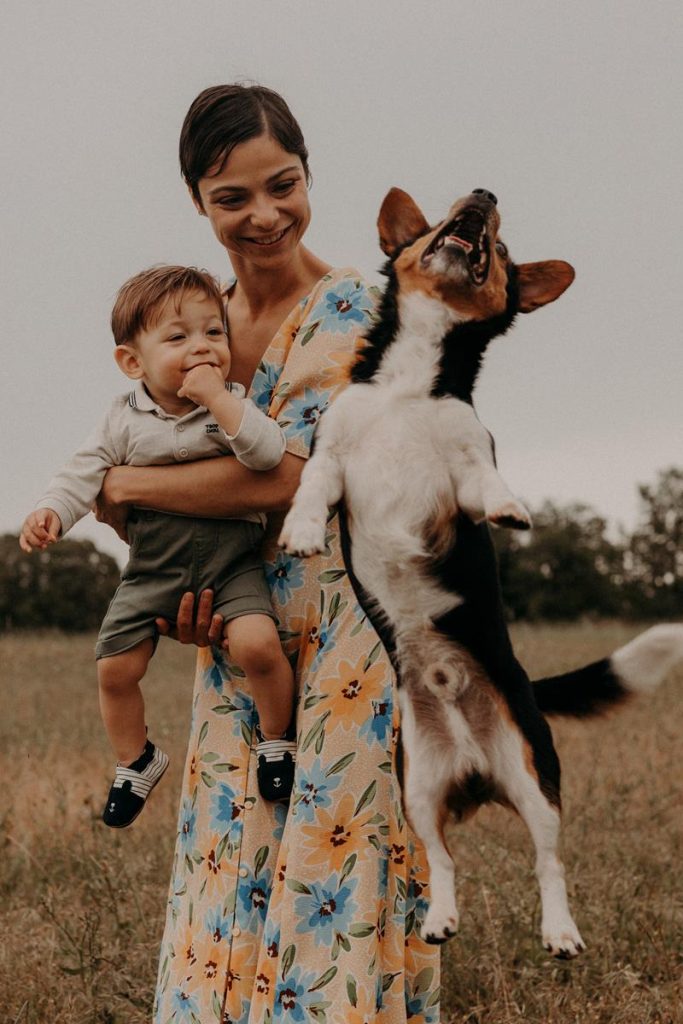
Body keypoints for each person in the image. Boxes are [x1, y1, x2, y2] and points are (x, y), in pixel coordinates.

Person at [97, 84, 440, 1023]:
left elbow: (286, 477)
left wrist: (123, 492)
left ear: (307, 174)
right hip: (234, 626)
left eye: (280, 185)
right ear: (198, 204)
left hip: (347, 636)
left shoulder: (366, 315)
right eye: (231, 198)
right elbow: (131, 452)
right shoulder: (186, 320)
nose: (263, 216)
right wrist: (165, 572)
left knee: (332, 870)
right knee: (231, 855)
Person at [20, 264, 297, 824]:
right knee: (114, 668)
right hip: (152, 571)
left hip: (233, 564)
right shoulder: (122, 420)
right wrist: (52, 511)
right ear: (132, 362)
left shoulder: (233, 405)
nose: (202, 347)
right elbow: (84, 472)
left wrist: (219, 400)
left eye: (213, 333)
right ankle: (136, 758)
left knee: (259, 647)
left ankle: (276, 739)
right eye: (178, 337)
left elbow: (269, 456)